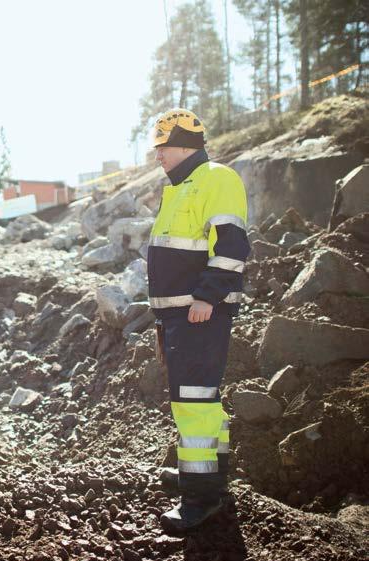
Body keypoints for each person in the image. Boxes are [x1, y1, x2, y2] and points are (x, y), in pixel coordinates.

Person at [146, 108, 251, 533]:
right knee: (199, 400)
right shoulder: (180, 188)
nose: (158, 157)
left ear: (186, 144)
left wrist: (208, 296)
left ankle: (202, 499)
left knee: (192, 403)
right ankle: (206, 478)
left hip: (199, 314)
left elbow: (233, 244)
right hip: (178, 316)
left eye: (163, 147)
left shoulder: (216, 178)